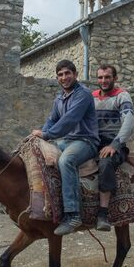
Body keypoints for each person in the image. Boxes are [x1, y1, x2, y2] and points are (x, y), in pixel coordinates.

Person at [32, 59, 99, 236]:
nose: (64, 77)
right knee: (36, 151)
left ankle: (73, 214)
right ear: (57, 78)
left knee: (66, 160)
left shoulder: (83, 94)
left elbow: (70, 120)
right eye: (60, 74)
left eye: (67, 73)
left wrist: (47, 135)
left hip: (86, 141)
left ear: (75, 74)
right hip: (68, 140)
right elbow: (52, 119)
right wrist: (41, 134)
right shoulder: (59, 98)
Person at [92, 64, 134, 231]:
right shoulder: (92, 97)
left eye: (107, 77)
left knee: (105, 164)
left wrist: (115, 145)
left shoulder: (122, 96)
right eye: (100, 77)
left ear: (115, 79)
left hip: (114, 144)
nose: (103, 81)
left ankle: (103, 214)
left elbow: (129, 122)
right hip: (93, 143)